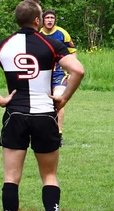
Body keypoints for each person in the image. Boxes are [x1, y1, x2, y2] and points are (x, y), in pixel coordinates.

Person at [0, 0, 85, 211]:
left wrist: (0, 100)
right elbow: (78, 70)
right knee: (49, 176)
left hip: (15, 115)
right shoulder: (52, 44)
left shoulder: (2, 46)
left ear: (18, 20)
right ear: (37, 20)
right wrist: (64, 99)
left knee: (11, 177)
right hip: (45, 114)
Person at [39, 9, 77, 145]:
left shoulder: (62, 34)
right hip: (42, 74)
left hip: (60, 73)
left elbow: (72, 53)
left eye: (52, 18)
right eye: (47, 18)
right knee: (41, 103)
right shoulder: (37, 34)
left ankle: (58, 134)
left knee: (59, 100)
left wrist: (72, 71)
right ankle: (40, 131)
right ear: (42, 20)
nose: (49, 20)